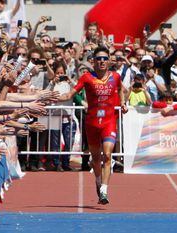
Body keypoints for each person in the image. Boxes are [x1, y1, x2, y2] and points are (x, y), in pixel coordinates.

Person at [58, 46, 128, 204]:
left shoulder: (115, 76)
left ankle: (104, 189)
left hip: (109, 123)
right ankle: (98, 180)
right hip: (92, 123)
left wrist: (123, 103)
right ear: (94, 62)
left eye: (105, 58)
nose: (102, 61)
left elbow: (121, 89)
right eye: (99, 59)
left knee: (108, 155)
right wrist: (49, 97)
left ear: (109, 61)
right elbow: (70, 94)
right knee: (95, 159)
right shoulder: (86, 77)